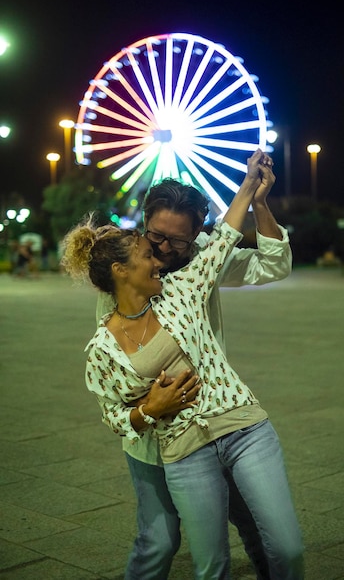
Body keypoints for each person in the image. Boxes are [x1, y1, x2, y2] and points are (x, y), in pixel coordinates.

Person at [62, 151, 304, 580]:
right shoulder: (122, 280)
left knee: (253, 523)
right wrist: (148, 409)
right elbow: (115, 373)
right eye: (154, 236)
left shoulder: (201, 262)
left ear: (197, 235)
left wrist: (258, 201)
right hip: (161, 436)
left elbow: (272, 263)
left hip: (224, 415)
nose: (161, 250)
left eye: (177, 241)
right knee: (160, 538)